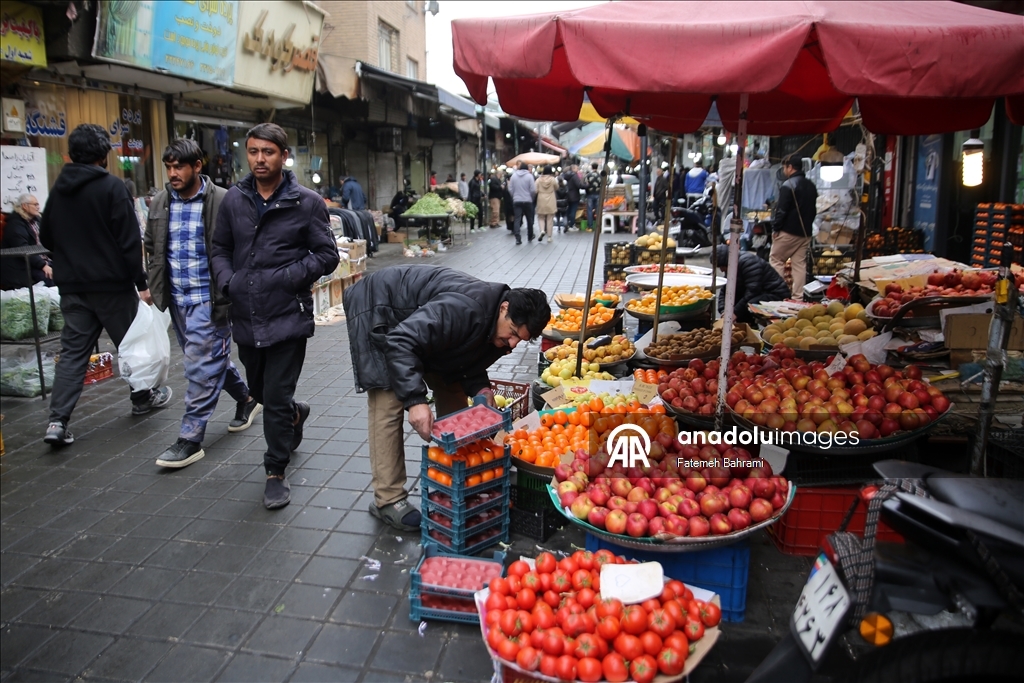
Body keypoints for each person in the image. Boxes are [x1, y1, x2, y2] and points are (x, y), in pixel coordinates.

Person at [343, 265, 549, 531]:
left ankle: (456, 476)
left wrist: (481, 391)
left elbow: (465, 359)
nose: (512, 344)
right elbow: (402, 342)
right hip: (382, 311)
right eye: (511, 333)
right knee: (389, 399)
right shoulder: (464, 309)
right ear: (503, 308)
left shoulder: (496, 328)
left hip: (419, 331)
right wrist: (416, 401)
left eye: (519, 341)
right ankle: (387, 498)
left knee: (452, 388)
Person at [211, 123, 340, 509]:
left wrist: (287, 277)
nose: (259, 159)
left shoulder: (306, 202)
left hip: (287, 315)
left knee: (277, 393)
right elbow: (219, 247)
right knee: (263, 393)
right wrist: (227, 281)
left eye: (268, 152)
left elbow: (327, 255)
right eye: (253, 152)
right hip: (246, 313)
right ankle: (293, 414)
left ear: (284, 156)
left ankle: (275, 471)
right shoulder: (233, 200)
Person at [40, 123, 172, 446]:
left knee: (73, 353)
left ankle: (57, 422)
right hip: (112, 286)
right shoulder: (112, 188)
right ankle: (142, 398)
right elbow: (129, 242)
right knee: (132, 343)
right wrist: (141, 283)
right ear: (104, 155)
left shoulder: (58, 190)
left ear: (71, 155)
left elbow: (45, 236)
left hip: (73, 286)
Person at [145, 138, 259, 469]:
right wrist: (152, 284)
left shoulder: (225, 200)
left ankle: (190, 438)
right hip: (177, 299)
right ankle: (247, 398)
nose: (173, 173)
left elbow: (243, 247)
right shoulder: (160, 202)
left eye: (179, 166)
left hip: (212, 300)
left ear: (197, 166)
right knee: (210, 359)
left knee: (199, 367)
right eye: (168, 167)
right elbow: (152, 245)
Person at [769, 154, 818, 298]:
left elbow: (781, 210)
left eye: (785, 167)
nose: (784, 169)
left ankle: (777, 294)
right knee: (799, 265)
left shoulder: (788, 185)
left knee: (776, 259)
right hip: (806, 232)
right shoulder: (811, 185)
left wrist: (776, 228)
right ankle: (798, 297)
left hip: (788, 232)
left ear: (790, 167)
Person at [714, 245, 791, 324]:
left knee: (748, 304)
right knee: (738, 299)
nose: (722, 270)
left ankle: (749, 325)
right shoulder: (731, 266)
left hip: (775, 295)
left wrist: (735, 313)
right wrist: (723, 310)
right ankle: (744, 325)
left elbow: (753, 291)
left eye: (722, 266)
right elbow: (725, 290)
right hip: (760, 293)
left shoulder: (749, 262)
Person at [1, 194, 53, 289]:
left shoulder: (37, 220)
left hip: (42, 260)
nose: (38, 207)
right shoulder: (15, 225)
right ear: (25, 206)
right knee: (51, 278)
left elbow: (48, 240)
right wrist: (43, 265)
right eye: (35, 204)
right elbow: (23, 248)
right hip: (25, 266)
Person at [508, 162, 536, 245]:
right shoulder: (530, 176)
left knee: (517, 219)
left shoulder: (514, 176)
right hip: (527, 200)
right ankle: (530, 235)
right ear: (527, 168)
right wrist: (531, 197)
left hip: (517, 200)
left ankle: (517, 237)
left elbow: (510, 188)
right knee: (529, 219)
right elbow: (533, 190)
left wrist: (514, 196)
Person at [535, 165, 558, 243]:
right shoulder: (553, 179)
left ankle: (542, 230)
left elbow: (535, 190)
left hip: (541, 198)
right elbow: (557, 187)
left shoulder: (538, 180)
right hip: (551, 198)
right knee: (550, 219)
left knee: (541, 217)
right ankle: (549, 237)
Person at [561, 165, 583, 232]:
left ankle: (566, 224)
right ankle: (571, 225)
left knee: (568, 210)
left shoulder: (565, 175)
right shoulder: (574, 176)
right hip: (574, 196)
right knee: (573, 211)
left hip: (568, 195)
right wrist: (587, 185)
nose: (578, 169)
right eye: (577, 168)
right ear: (573, 169)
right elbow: (579, 185)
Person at [584, 162, 602, 229]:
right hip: (598, 194)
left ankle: (590, 226)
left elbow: (585, 184)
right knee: (598, 211)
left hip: (590, 194)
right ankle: (598, 226)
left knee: (589, 210)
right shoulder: (600, 175)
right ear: (597, 167)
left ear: (591, 167)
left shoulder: (588, 175)